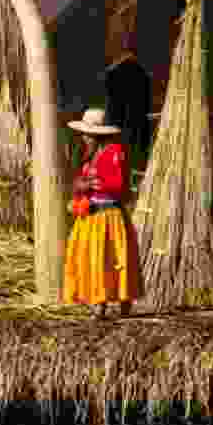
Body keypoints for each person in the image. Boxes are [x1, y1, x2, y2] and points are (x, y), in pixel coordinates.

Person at [62, 108, 143, 318]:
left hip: (109, 216)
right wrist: (79, 189)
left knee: (110, 257)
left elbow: (118, 185)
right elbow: (84, 182)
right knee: (92, 258)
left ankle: (117, 303)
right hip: (91, 215)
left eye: (87, 134)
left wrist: (91, 184)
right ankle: (98, 301)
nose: (83, 137)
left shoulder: (114, 152)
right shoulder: (91, 157)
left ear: (98, 135)